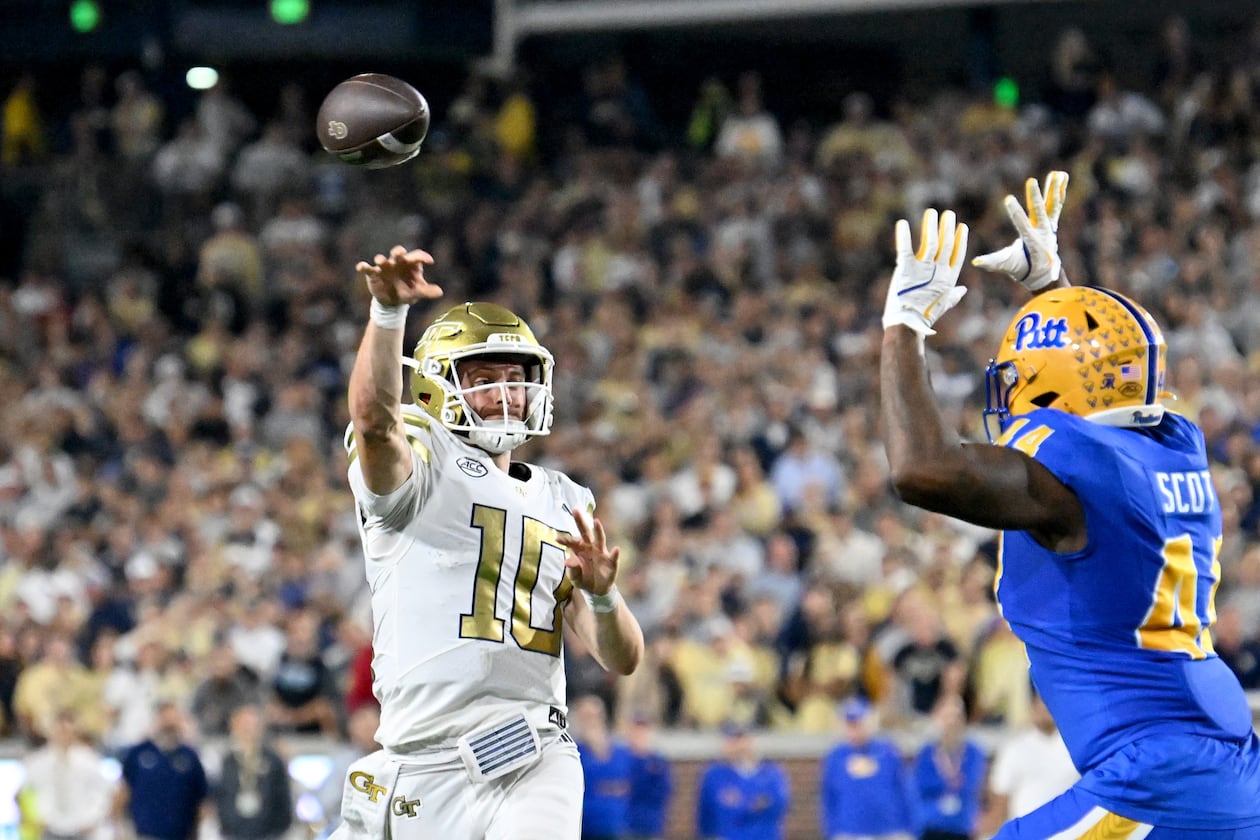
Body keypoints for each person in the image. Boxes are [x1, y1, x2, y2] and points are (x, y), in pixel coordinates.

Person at [879, 171, 1260, 837]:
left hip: (1158, 776)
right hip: (1228, 762)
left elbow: (919, 469)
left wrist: (903, 324)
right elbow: (1099, 389)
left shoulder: (1078, 479)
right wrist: (1053, 292)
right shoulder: (1176, 442)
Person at [333, 245, 645, 840]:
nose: (506, 395)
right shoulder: (423, 464)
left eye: (515, 379)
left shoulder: (564, 499)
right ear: (432, 388)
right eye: (482, 380)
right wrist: (386, 313)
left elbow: (623, 658)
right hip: (415, 762)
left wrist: (602, 598)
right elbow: (375, 422)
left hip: (530, 753)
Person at [981, 692, 1079, 835]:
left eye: (1049, 702)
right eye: (1040, 703)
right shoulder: (1013, 749)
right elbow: (1000, 805)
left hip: (1071, 833)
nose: (1045, 708)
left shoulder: (1077, 748)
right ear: (1033, 706)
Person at [819, 697, 913, 840]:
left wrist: (909, 829)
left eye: (859, 723)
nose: (855, 730)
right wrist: (832, 832)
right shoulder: (836, 757)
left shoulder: (888, 752)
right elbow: (828, 798)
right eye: (850, 724)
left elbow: (905, 790)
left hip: (890, 831)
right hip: (850, 832)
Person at [116, 701, 209, 840]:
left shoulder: (189, 757)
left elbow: (202, 800)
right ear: (157, 720)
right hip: (144, 833)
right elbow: (124, 791)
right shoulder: (139, 753)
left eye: (173, 721)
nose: (169, 725)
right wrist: (120, 828)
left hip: (180, 834)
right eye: (165, 720)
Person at [21, 710, 114, 840]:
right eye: (60, 731)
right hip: (50, 827)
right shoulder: (38, 761)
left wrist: (92, 819)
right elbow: (26, 794)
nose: (64, 736)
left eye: (68, 731)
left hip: (80, 829)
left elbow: (102, 792)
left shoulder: (89, 760)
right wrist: (36, 819)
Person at [909, 695, 986, 840]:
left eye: (956, 716)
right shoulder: (926, 753)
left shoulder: (974, 752)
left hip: (961, 827)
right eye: (947, 717)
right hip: (930, 827)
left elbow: (971, 786)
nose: (951, 723)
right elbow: (918, 787)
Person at [695, 722, 790, 840]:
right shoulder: (714, 775)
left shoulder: (771, 773)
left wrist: (744, 803)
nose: (737, 746)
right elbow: (707, 817)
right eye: (731, 740)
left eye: (741, 739)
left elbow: (777, 805)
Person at [213, 704, 293, 840]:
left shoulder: (272, 761)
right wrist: (226, 827)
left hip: (267, 834)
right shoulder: (227, 761)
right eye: (243, 725)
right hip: (234, 834)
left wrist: (277, 831)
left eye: (251, 725)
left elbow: (283, 797)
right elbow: (220, 797)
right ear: (234, 727)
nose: (247, 730)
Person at [572, 694, 633, 840]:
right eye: (585, 717)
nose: (591, 722)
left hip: (616, 827)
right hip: (583, 829)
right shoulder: (574, 753)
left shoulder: (620, 752)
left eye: (594, 716)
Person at [624, 714, 672, 840]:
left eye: (643, 731)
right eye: (636, 731)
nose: (639, 736)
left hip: (651, 822)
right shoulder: (622, 758)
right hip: (625, 823)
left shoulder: (658, 761)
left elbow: (664, 791)